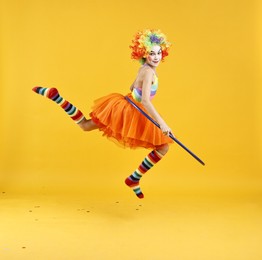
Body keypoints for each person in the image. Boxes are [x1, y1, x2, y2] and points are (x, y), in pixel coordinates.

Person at [32, 29, 173, 199]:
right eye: (152, 53)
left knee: (85, 125)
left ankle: (56, 97)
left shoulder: (144, 68)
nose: (156, 57)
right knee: (163, 146)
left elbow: (132, 88)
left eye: (159, 53)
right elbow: (145, 101)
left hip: (125, 105)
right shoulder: (149, 72)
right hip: (130, 111)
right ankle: (134, 178)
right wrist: (163, 123)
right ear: (144, 53)